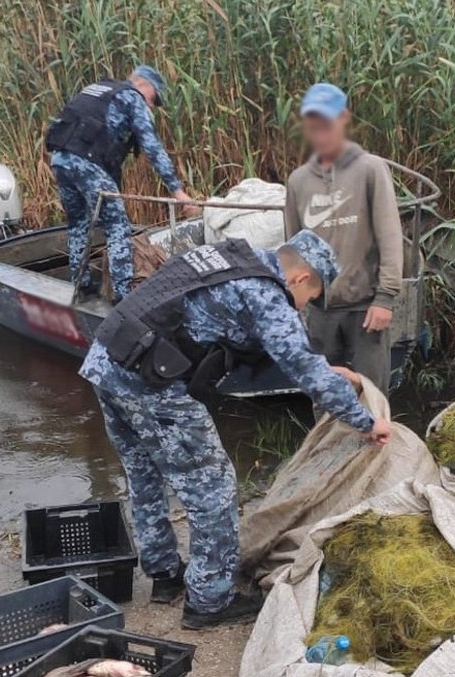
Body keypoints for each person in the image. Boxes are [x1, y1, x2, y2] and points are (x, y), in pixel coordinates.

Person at [80, 230, 391, 629]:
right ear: (300, 277)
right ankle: (210, 600)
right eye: (311, 297)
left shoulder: (230, 259)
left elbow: (270, 346)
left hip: (108, 360)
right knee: (214, 487)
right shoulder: (266, 293)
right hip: (150, 384)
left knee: (144, 475)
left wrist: (322, 370)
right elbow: (303, 366)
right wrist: (367, 421)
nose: (305, 307)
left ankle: (164, 575)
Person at [284, 83, 405, 392]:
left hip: (365, 308)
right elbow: (293, 250)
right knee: (323, 394)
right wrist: (294, 302)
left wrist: (385, 298)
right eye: (313, 126)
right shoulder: (298, 181)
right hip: (321, 311)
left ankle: (375, 428)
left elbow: (390, 236)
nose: (320, 133)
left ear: (343, 118)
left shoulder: (370, 169)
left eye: (327, 124)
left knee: (372, 394)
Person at [46, 65, 197, 302]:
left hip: (60, 160)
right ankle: (124, 295)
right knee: (117, 227)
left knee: (78, 225)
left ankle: (81, 286)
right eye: (154, 99)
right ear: (143, 84)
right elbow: (152, 147)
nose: (151, 106)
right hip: (86, 163)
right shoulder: (132, 97)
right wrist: (177, 191)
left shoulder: (99, 88)